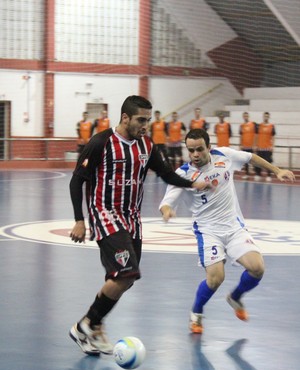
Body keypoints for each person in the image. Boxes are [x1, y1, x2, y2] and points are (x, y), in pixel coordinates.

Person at [68, 96, 210, 356]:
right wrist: (79, 220)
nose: (146, 125)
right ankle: (86, 325)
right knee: (125, 273)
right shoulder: (101, 143)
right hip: (105, 214)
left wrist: (193, 184)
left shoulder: (147, 145)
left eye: (148, 120)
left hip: (132, 218)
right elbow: (77, 181)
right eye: (141, 120)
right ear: (125, 118)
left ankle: (92, 326)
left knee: (125, 278)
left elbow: (166, 173)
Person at [159, 128, 295, 334]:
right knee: (215, 278)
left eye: (200, 150)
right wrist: (167, 211)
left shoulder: (224, 155)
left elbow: (252, 157)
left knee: (257, 268)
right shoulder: (183, 174)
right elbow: (166, 202)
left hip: (233, 227)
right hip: (208, 231)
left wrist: (277, 170)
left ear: (209, 147)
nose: (195, 155)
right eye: (191, 150)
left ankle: (235, 297)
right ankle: (196, 312)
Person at [255, 112, 276, 182]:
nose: (266, 117)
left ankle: (269, 175)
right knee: (258, 162)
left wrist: (272, 146)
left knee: (268, 162)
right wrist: (255, 145)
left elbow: (273, 137)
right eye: (265, 116)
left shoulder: (272, 126)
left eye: (267, 116)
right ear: (263, 117)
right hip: (260, 148)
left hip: (267, 148)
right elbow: (256, 136)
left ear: (269, 117)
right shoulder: (259, 126)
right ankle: (258, 174)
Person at [239, 112, 257, 179]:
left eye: (246, 116)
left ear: (248, 116)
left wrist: (255, 144)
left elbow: (255, 135)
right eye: (244, 116)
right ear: (243, 117)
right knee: (245, 160)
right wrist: (240, 144)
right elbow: (241, 135)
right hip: (244, 146)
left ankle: (256, 174)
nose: (245, 117)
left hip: (251, 146)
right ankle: (246, 174)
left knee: (253, 160)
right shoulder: (241, 126)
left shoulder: (253, 124)